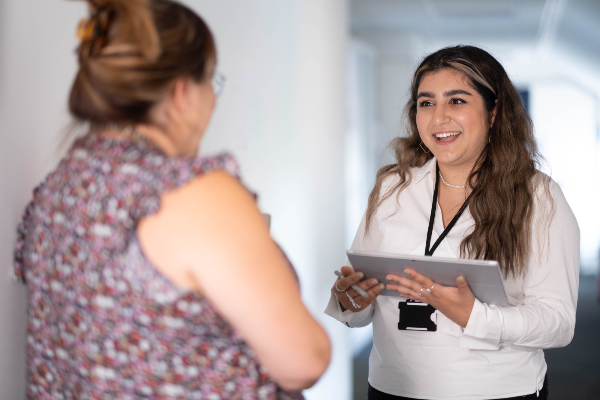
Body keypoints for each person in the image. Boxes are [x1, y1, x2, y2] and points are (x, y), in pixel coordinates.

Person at [13, 0, 330, 398]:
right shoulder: (187, 193)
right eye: (211, 83)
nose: (213, 102)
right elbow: (305, 362)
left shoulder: (57, 188)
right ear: (182, 92)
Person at [325, 45, 579, 399]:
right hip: (392, 386)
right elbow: (364, 299)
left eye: (456, 101)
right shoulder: (392, 188)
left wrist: (474, 315)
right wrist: (350, 300)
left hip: (494, 392)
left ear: (493, 112)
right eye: (426, 103)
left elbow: (558, 324)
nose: (438, 118)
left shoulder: (539, 196)